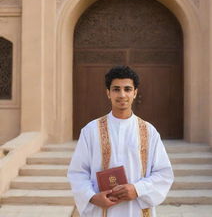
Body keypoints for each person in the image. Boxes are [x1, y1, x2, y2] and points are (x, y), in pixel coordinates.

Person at [67, 65, 174, 217]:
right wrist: (92, 197)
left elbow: (164, 173)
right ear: (108, 93)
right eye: (116, 89)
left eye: (127, 89)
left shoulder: (149, 131)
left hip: (136, 209)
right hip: (101, 210)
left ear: (135, 93)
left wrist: (137, 189)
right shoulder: (90, 131)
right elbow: (78, 172)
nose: (122, 94)